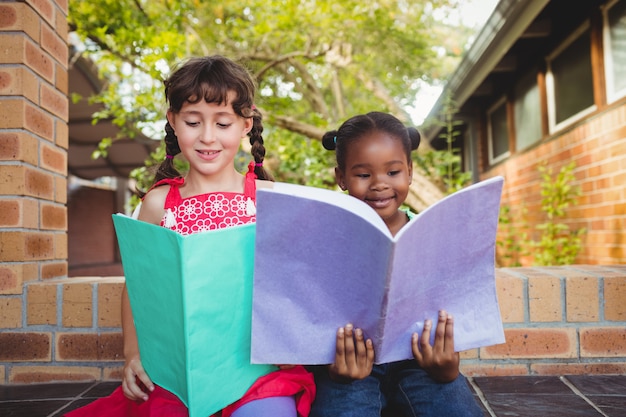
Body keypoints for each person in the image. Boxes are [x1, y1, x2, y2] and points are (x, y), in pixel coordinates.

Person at [64, 55, 315, 417]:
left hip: (255, 374)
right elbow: (138, 287)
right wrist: (132, 354)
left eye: (223, 123)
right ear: (174, 122)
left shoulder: (268, 199)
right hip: (178, 375)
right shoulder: (158, 203)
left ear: (246, 125)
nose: (207, 137)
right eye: (193, 122)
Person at [309, 111, 484, 417]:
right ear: (341, 177)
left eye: (393, 172)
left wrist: (447, 367)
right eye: (363, 175)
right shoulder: (326, 239)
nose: (379, 185)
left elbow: (451, 303)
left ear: (410, 172)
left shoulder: (432, 235)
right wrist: (333, 368)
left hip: (420, 361)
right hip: (351, 364)